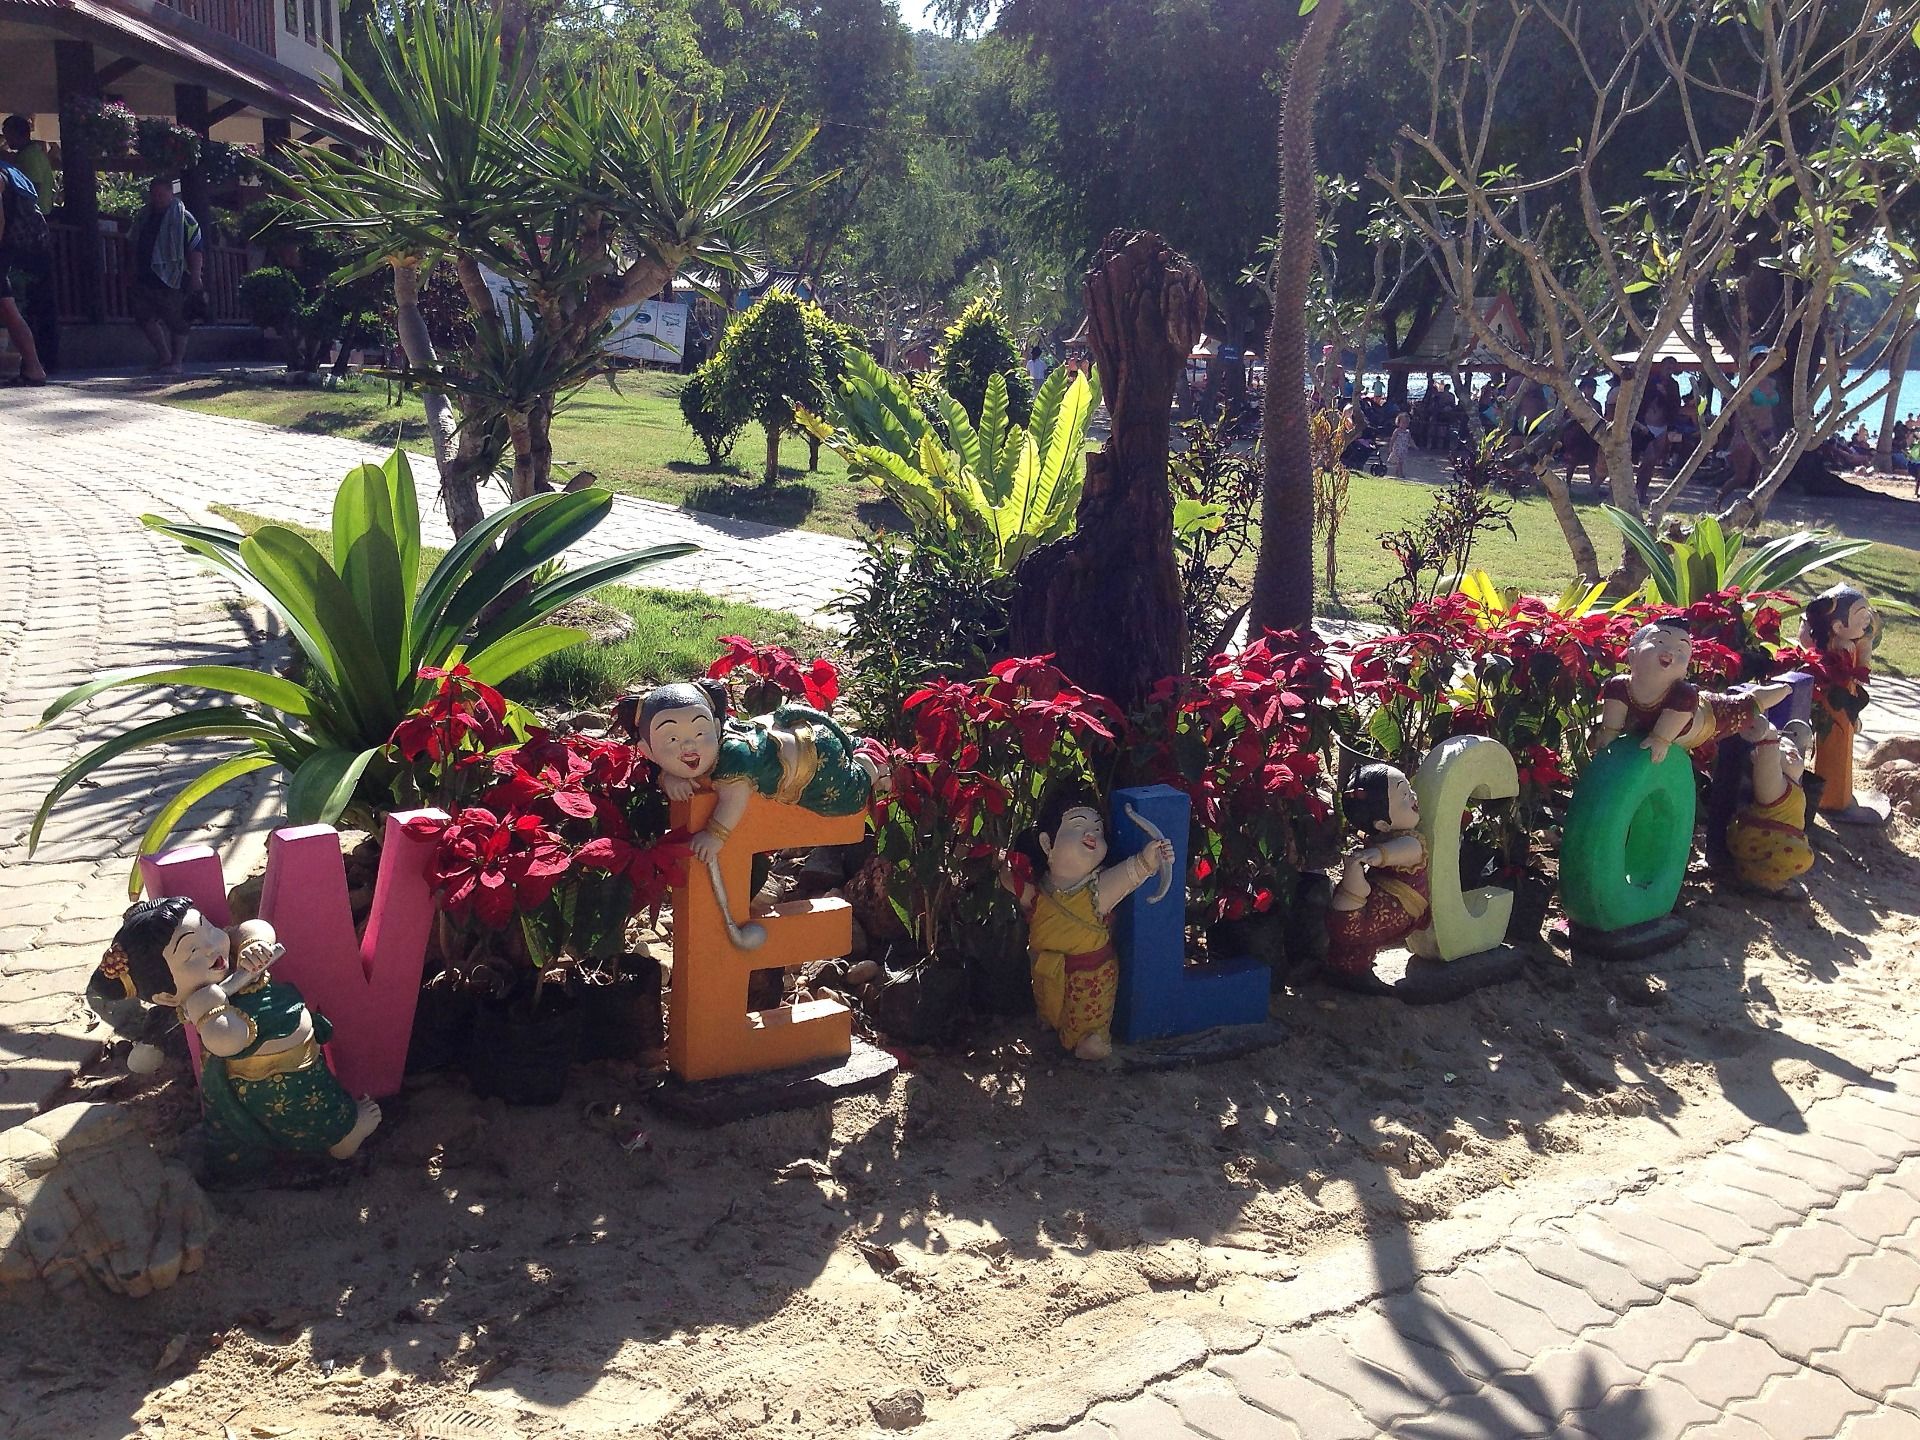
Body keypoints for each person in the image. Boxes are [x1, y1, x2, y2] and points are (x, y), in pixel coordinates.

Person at [129, 176, 204, 375]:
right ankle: (164, 357)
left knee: (177, 321)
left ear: (171, 194)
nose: (158, 198)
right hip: (146, 276)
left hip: (175, 276)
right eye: (154, 195)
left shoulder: (185, 218)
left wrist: (196, 277)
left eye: (162, 194)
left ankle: (177, 362)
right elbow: (133, 240)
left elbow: (196, 248)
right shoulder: (143, 216)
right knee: (144, 317)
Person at [0, 160, 49, 386]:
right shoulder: (6, 172)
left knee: (8, 308)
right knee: (7, 308)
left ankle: (34, 368)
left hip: (2, 247)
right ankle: (34, 368)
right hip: (6, 247)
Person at [1386, 410, 1413, 477]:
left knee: (1401, 462)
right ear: (1399, 422)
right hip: (1397, 448)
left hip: (1404, 449)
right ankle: (1401, 473)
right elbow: (1392, 439)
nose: (1405, 424)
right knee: (1399, 461)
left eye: (1406, 423)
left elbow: (1410, 439)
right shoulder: (1397, 431)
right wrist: (1390, 447)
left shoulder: (1407, 432)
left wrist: (1414, 445)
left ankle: (1397, 472)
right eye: (1403, 422)